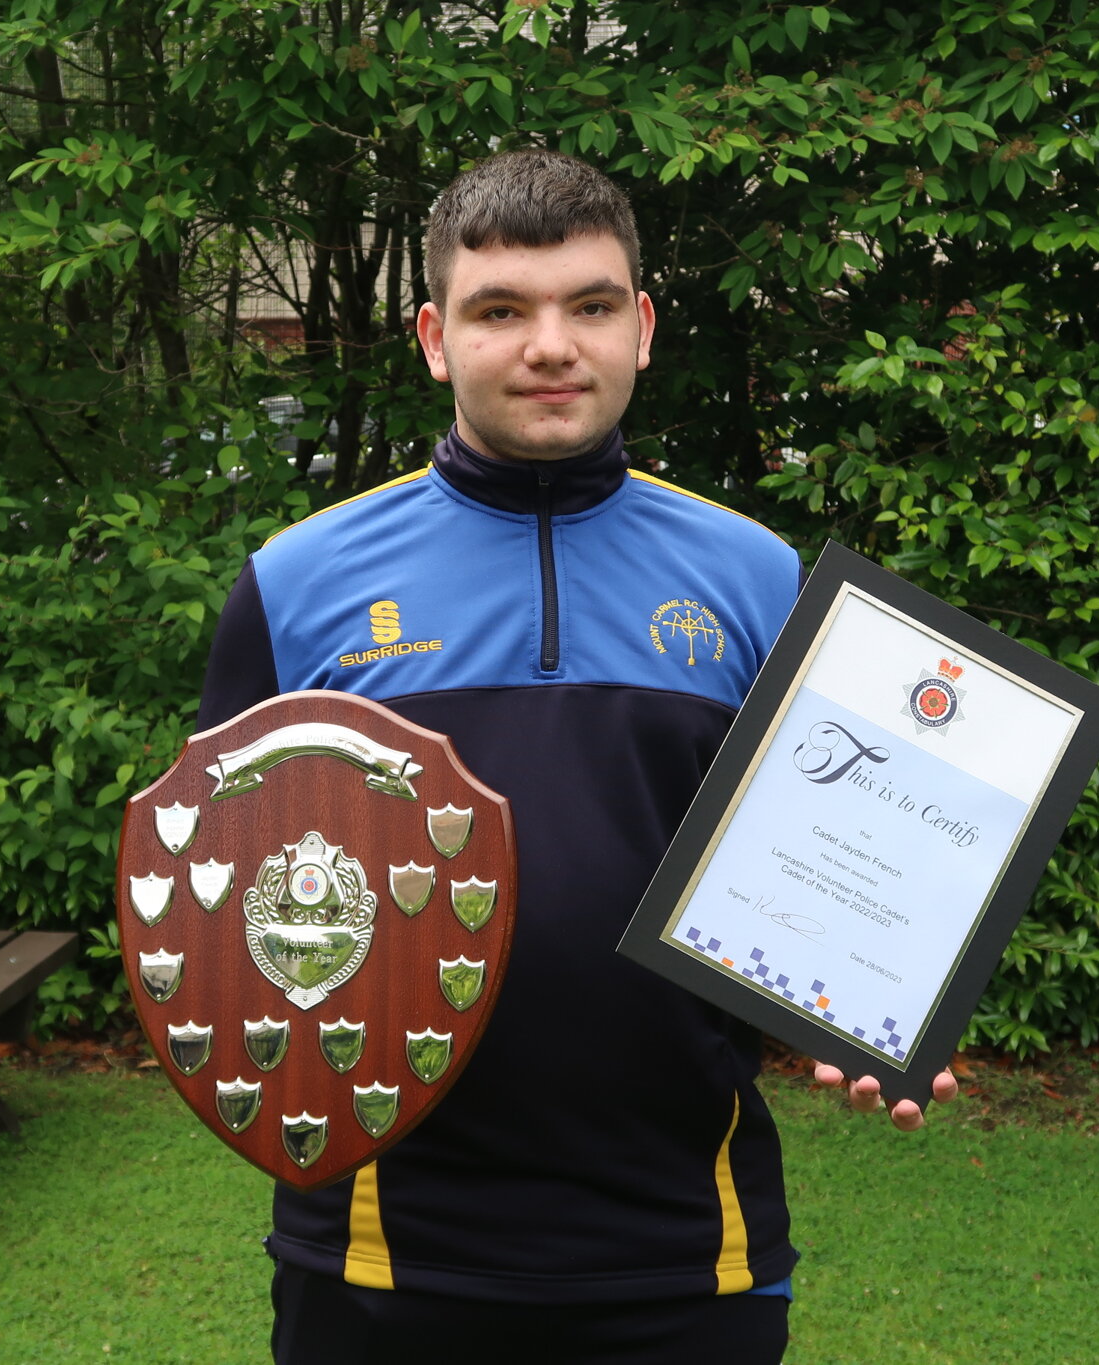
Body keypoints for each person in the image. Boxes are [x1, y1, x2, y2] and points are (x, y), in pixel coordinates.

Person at [197, 148, 956, 1365]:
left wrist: (861, 997)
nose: (550, 345)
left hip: (683, 1247)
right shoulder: (296, 586)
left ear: (640, 327)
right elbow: (214, 907)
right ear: (435, 338)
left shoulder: (755, 577)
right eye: (500, 311)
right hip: (379, 1250)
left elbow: (826, 864)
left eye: (589, 306)